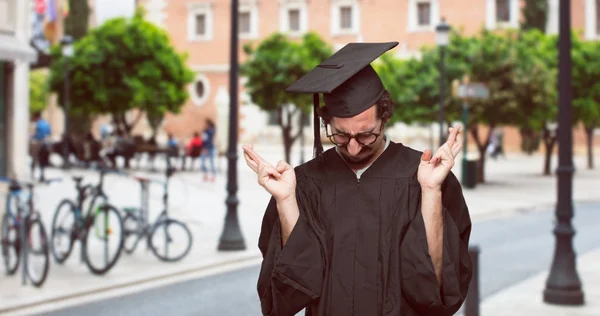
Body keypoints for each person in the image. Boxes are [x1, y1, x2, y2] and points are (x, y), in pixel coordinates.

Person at [243, 42, 472, 316]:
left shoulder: (424, 176)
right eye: (340, 135)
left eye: (366, 135)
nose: (353, 146)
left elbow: (437, 291)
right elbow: (292, 291)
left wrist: (431, 191)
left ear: (384, 117)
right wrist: (286, 200)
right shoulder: (305, 182)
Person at [30, 112, 52, 181]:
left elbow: (38, 135)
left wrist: (33, 137)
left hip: (39, 143)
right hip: (46, 144)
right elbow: (49, 133)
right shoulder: (46, 123)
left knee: (35, 159)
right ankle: (42, 175)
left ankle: (32, 174)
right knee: (42, 160)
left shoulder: (38, 124)